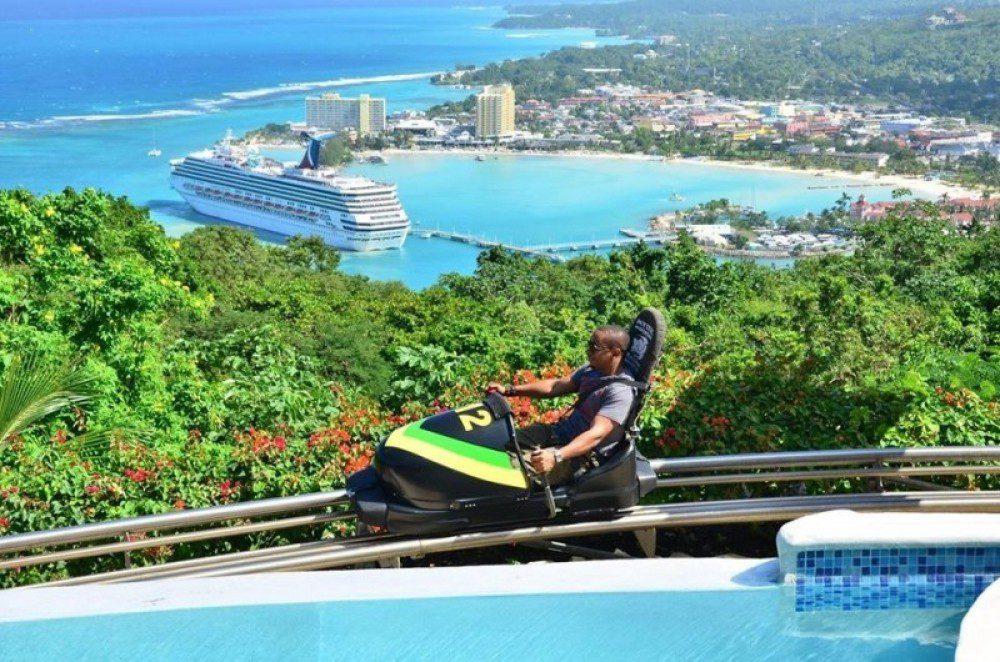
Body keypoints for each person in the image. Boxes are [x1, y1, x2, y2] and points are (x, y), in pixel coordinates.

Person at [487, 325, 636, 485]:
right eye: (589, 345)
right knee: (498, 442)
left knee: (505, 471)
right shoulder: (592, 369)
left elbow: (596, 435)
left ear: (615, 353)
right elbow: (556, 386)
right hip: (559, 433)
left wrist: (556, 456)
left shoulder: (620, 391)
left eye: (594, 348)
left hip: (578, 455)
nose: (588, 351)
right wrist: (509, 390)